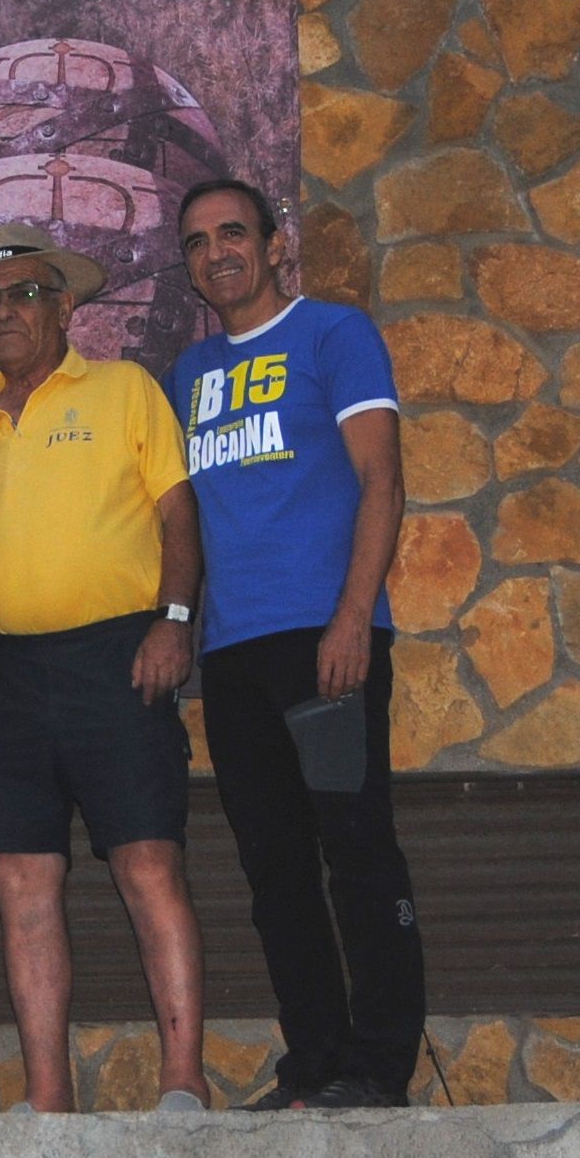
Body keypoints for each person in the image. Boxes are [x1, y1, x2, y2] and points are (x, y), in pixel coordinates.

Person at [0, 220, 209, 1115]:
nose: (6, 312)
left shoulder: (125, 391)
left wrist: (175, 622)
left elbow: (179, 518)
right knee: (21, 881)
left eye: (26, 294)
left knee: (148, 864)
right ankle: (48, 1099)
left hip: (120, 657)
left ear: (65, 306)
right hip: (6, 675)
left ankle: (183, 1083)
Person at [173, 179, 422, 1110]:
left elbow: (383, 481)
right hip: (233, 656)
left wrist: (354, 617)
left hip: (328, 640)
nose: (217, 253)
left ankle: (381, 1063)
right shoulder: (189, 375)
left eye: (233, 233)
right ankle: (315, 1060)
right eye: (197, 243)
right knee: (274, 871)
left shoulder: (334, 333)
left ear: (274, 244)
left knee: (358, 852)